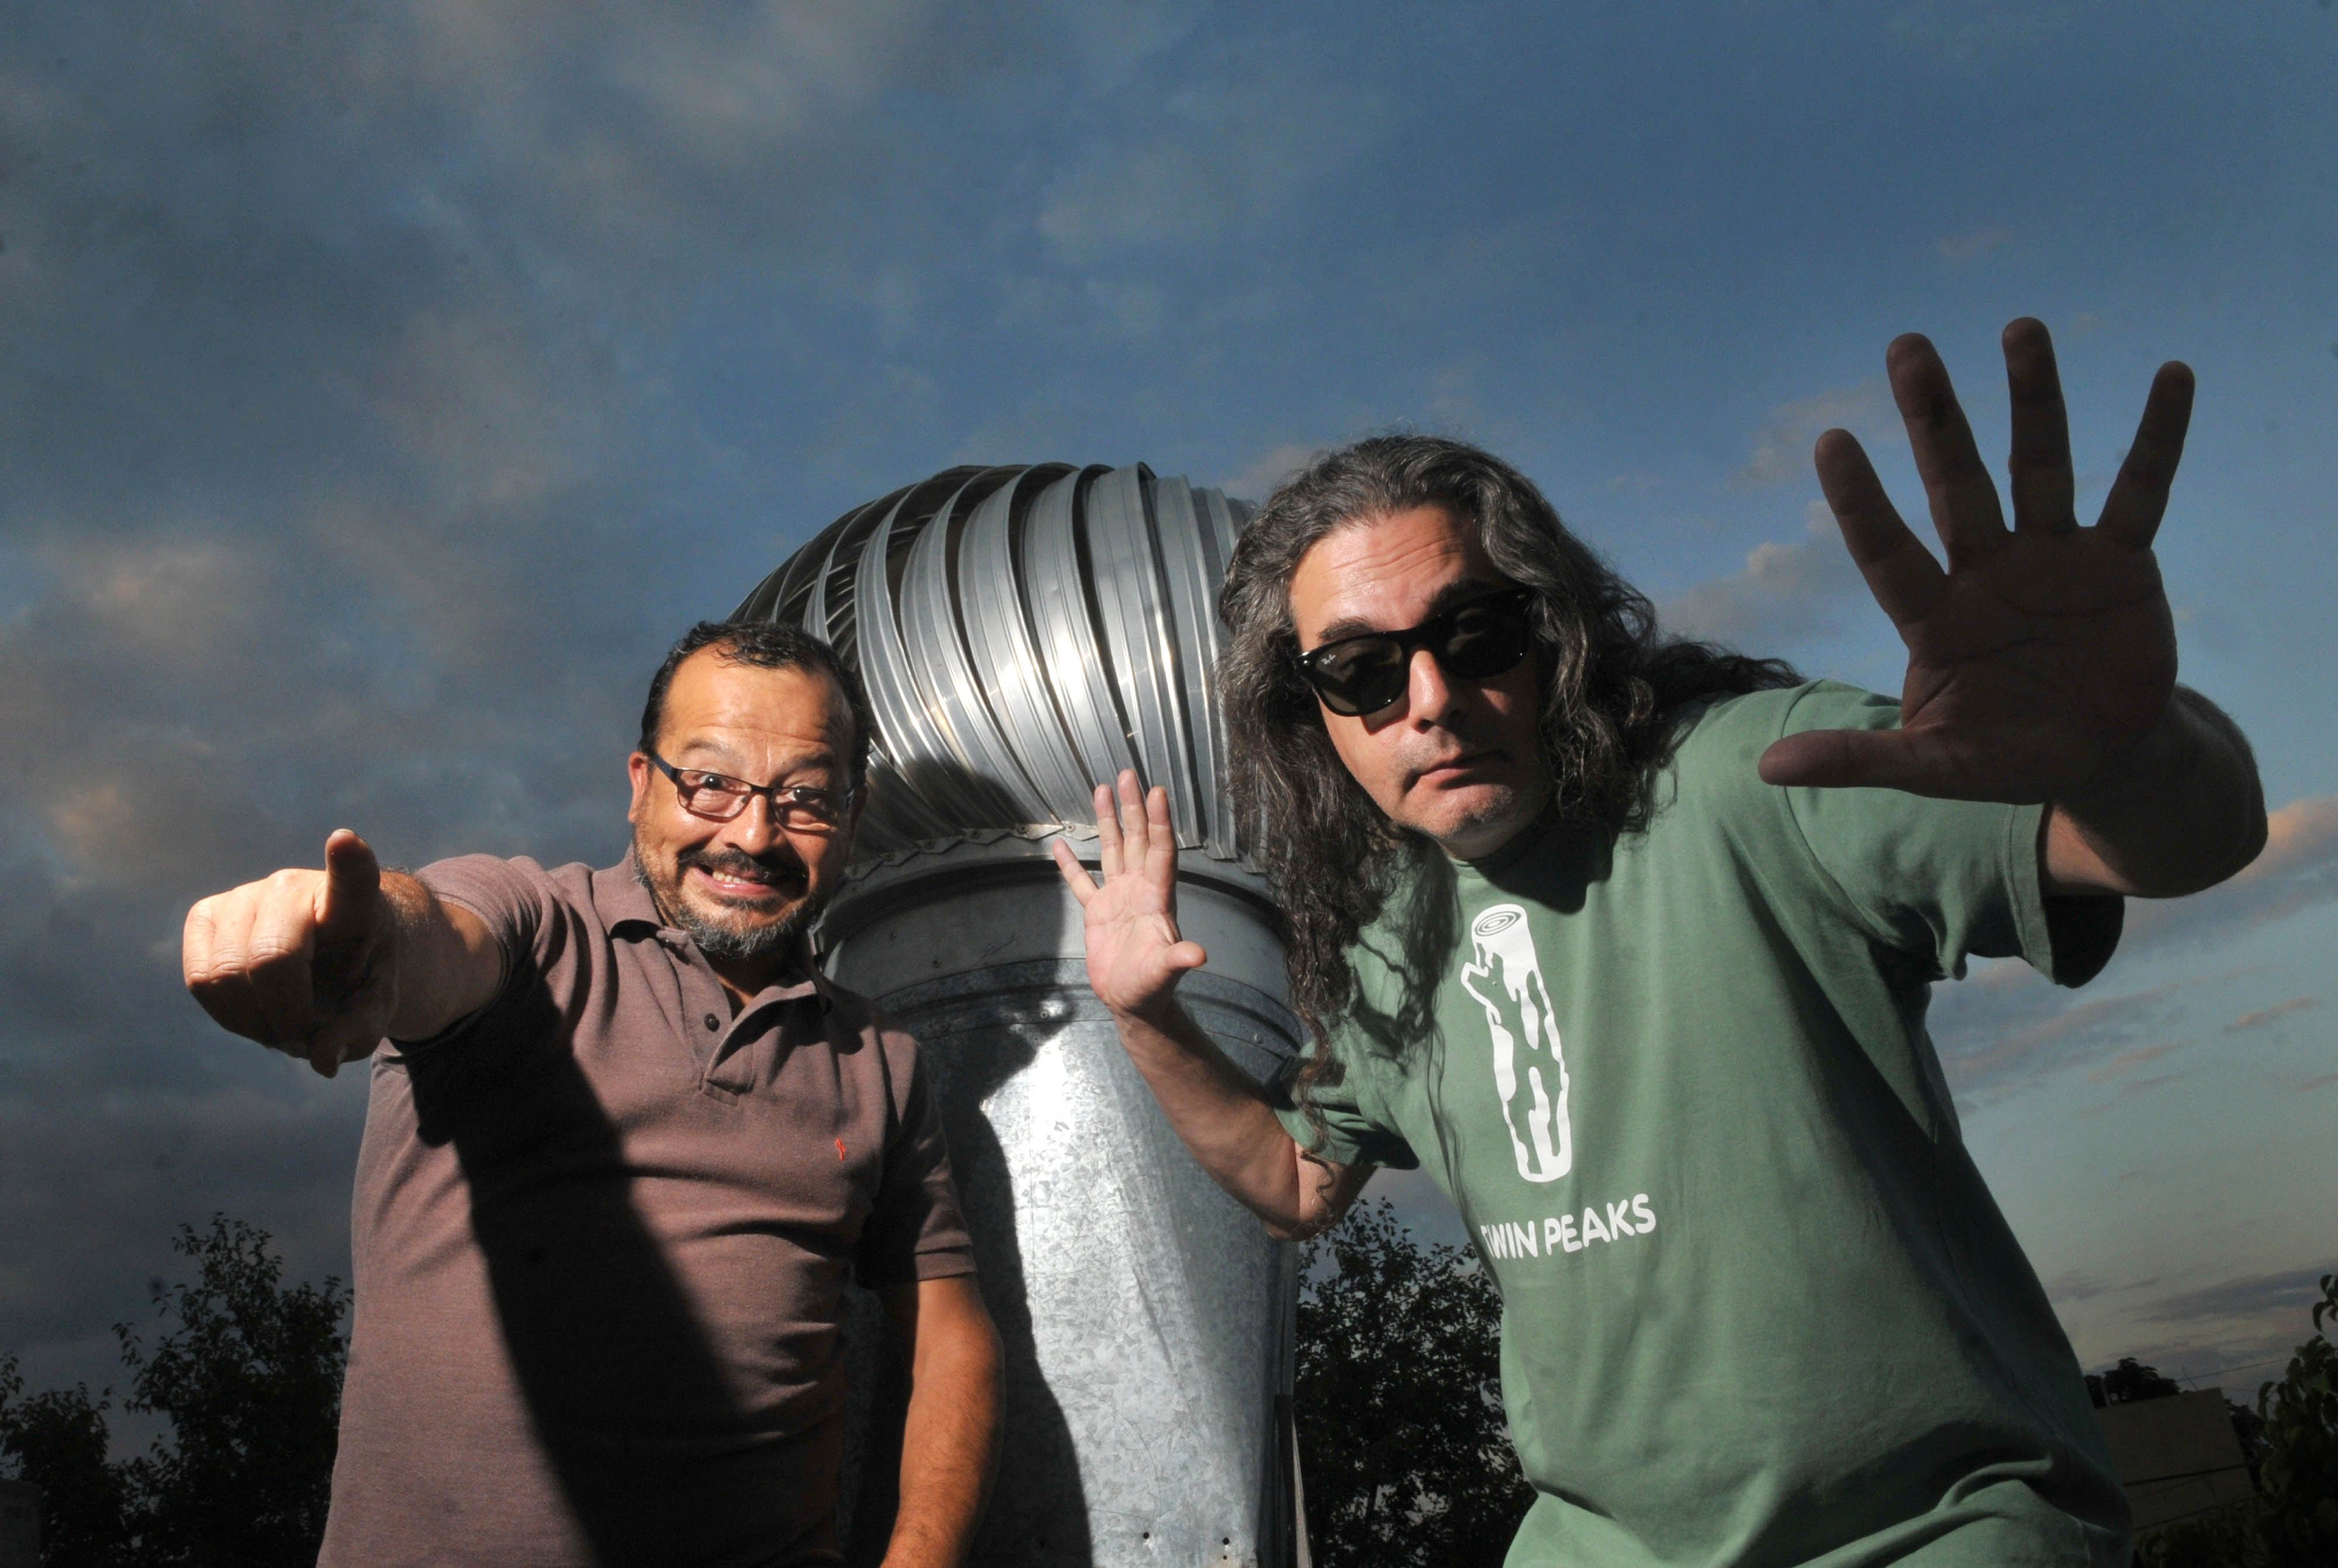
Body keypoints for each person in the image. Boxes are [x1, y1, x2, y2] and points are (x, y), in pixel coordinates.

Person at [1053, 319, 2267, 1565]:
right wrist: (1144, 1017)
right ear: (1310, 715)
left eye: (1471, 634)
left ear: (1552, 634)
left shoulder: (1751, 777)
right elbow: (1293, 1184)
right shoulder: (1383, 941)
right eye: (1362, 669)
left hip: (1927, 1529)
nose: (1427, 699)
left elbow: (2176, 843)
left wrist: (2128, 748)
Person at [182, 621, 1001, 1568]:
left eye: (806, 798)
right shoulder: (535, 929)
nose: (754, 833)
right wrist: (357, 943)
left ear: (852, 818)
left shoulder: (881, 1059)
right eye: (711, 781)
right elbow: (434, 936)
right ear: (640, 785)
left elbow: (952, 1336)